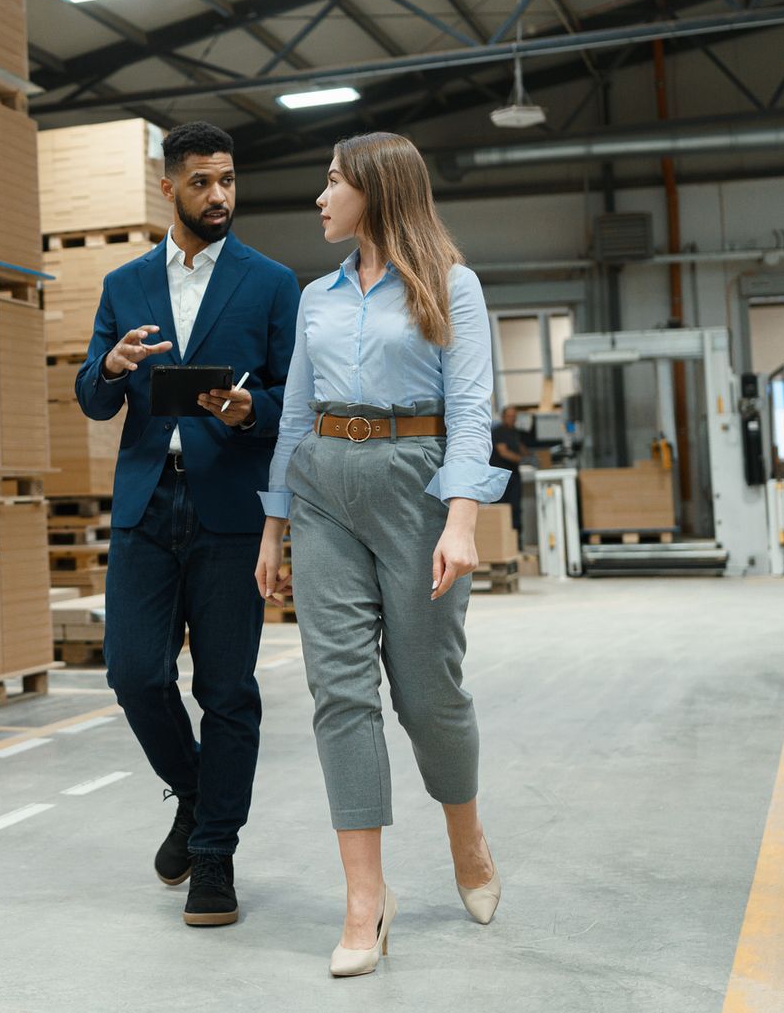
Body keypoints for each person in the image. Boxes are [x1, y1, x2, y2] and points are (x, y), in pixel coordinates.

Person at [254, 131, 507, 977]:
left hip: (417, 486)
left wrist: (461, 519)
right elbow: (294, 414)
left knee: (428, 692)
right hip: (325, 484)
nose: (320, 198)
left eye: (332, 181)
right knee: (339, 689)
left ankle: (466, 837)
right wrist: (274, 524)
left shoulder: (451, 286)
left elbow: (471, 410)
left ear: (377, 189)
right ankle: (366, 899)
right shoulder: (313, 297)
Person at [75, 120, 300, 929]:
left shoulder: (272, 283)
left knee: (227, 689)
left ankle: (214, 855)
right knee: (134, 673)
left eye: (229, 180)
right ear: (167, 186)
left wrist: (247, 408)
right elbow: (93, 396)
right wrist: (109, 365)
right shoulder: (124, 284)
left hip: (230, 509)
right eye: (203, 181)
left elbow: (290, 402)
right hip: (146, 503)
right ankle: (201, 792)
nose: (219, 196)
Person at [491, 406, 531, 541]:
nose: (512, 419)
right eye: (510, 416)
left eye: (514, 416)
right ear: (503, 417)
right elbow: (503, 452)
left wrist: (529, 455)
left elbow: (520, 446)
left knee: (515, 509)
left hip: (514, 476)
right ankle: (500, 541)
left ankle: (516, 541)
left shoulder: (514, 432)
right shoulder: (498, 432)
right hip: (500, 476)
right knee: (501, 508)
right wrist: (522, 459)